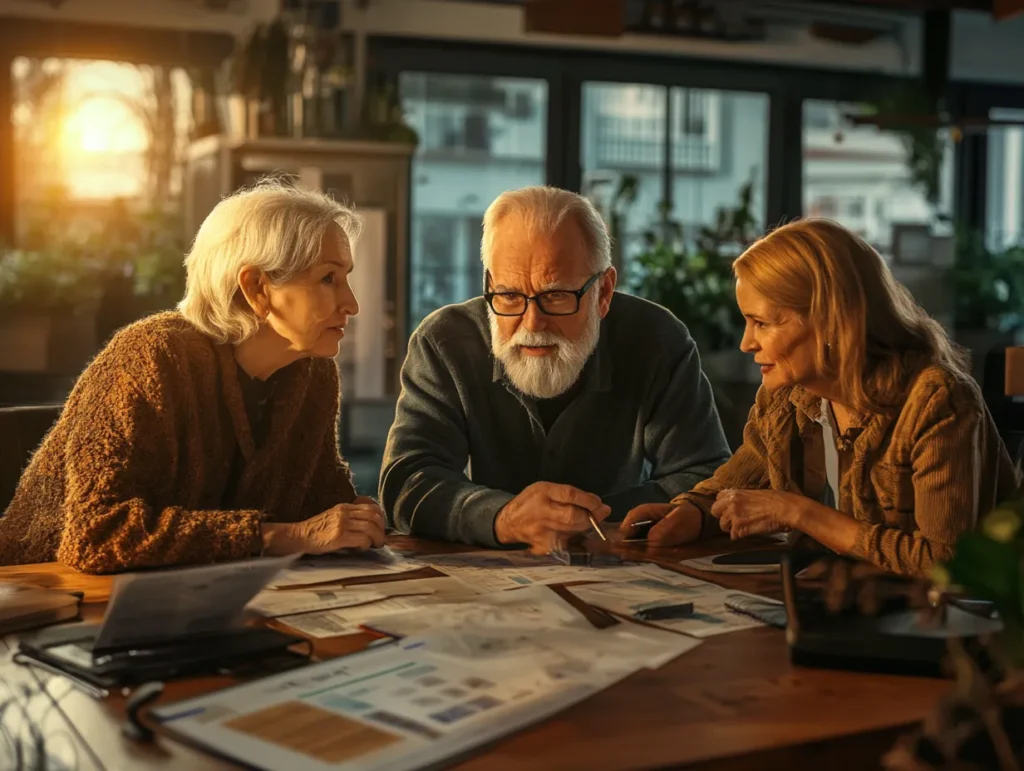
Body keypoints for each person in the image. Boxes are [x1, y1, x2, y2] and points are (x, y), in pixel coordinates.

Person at [0, 181, 386, 573]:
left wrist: (355, 516)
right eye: (328, 279)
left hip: (199, 600)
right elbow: (97, 534)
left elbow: (316, 503)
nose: (352, 304)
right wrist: (280, 536)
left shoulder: (313, 374)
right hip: (44, 598)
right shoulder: (151, 356)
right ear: (256, 288)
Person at [621, 218, 1021, 577]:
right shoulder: (788, 397)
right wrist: (690, 512)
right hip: (852, 612)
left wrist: (796, 512)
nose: (746, 343)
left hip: (966, 639)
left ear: (831, 321)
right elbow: (734, 485)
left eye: (761, 322)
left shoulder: (936, 401)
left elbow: (946, 564)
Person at [380, 185, 731, 552]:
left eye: (556, 295)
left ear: (604, 292)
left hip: (621, 568)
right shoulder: (443, 343)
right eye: (510, 295)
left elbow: (706, 477)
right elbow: (407, 481)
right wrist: (504, 518)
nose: (533, 324)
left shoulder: (658, 342)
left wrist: (598, 519)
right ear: (488, 285)